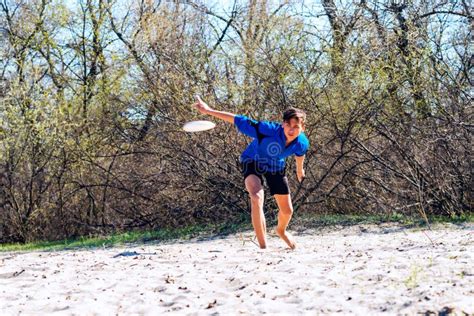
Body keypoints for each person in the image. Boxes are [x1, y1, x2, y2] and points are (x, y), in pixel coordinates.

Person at [193, 96, 309, 249]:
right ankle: (263, 247)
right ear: (283, 125)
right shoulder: (267, 130)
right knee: (256, 196)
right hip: (252, 160)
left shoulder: (302, 142)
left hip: (275, 167)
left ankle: (281, 230)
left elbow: (300, 155)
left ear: (303, 128)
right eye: (288, 125)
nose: (291, 129)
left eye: (296, 126)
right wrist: (209, 111)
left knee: (287, 211)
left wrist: (299, 169)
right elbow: (238, 119)